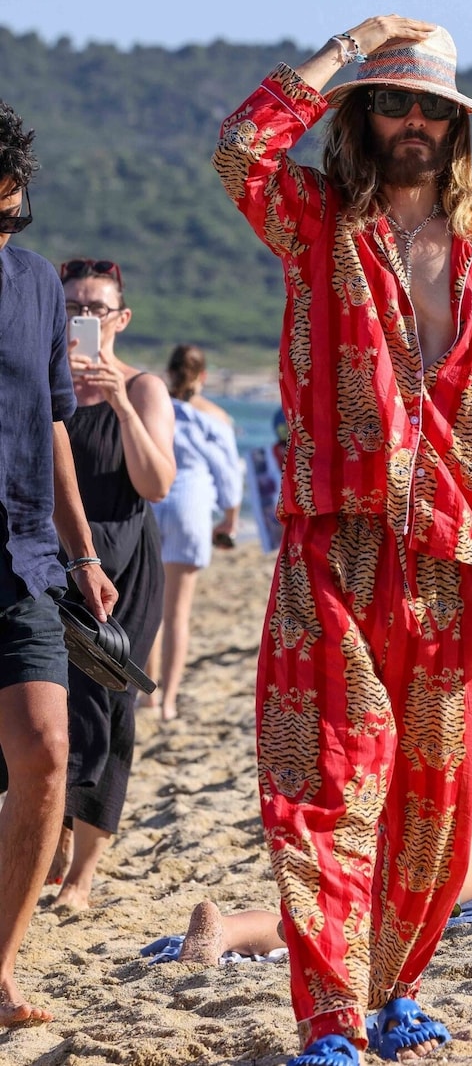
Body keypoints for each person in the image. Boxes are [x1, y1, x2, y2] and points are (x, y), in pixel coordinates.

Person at [212, 16, 472, 1066]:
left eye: (428, 105)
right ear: (361, 117)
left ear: (456, 126)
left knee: (430, 792)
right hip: (331, 542)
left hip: (450, 556)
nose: (411, 120)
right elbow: (238, 149)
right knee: (330, 776)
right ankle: (329, 1017)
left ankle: (390, 989)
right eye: (391, 101)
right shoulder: (313, 220)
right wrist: (342, 50)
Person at [0, 101, 117, 1025]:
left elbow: (52, 426)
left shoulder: (36, 283)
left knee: (45, 750)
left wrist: (80, 552)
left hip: (20, 553)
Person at [48, 258, 175, 911]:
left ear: (120, 319)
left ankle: (82, 875)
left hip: (124, 570)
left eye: (97, 307)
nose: (83, 318)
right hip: (54, 563)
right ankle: (55, 841)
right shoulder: (45, 389)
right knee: (46, 708)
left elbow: (156, 484)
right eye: (72, 305)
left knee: (107, 712)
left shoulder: (145, 388)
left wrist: (120, 401)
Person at [172, 810, 472, 965]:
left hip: (370, 859)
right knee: (311, 930)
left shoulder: (449, 820)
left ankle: (224, 930)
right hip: (418, 885)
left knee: (301, 922)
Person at [146, 343, 243, 722]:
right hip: (191, 506)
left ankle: (147, 694)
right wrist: (231, 519)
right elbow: (228, 475)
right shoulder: (215, 417)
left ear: (168, 373)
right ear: (203, 376)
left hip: (153, 503)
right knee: (177, 613)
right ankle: (169, 701)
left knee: (150, 607)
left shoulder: (154, 409)